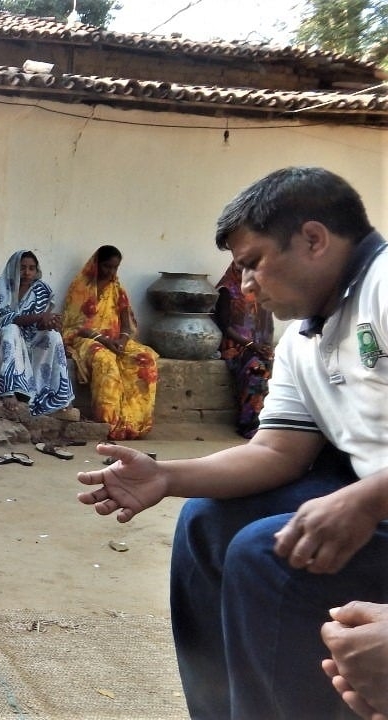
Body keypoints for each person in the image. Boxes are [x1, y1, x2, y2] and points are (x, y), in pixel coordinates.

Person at [76, 167, 388, 720]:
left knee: (266, 554)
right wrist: (166, 476)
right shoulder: (303, 339)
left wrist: (366, 499)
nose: (244, 286)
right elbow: (276, 452)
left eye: (253, 263)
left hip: (374, 500)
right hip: (369, 496)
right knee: (206, 524)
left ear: (314, 239)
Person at [61, 244, 159, 440]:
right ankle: (109, 423)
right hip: (87, 339)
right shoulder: (80, 288)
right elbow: (72, 326)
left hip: (114, 338)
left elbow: (126, 324)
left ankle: (134, 422)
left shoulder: (117, 289)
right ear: (96, 264)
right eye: (107, 266)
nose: (111, 272)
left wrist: (122, 341)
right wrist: (102, 339)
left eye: (115, 267)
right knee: (106, 361)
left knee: (145, 359)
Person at [0, 250, 74, 417]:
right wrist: (40, 317)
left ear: (37, 270)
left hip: (31, 338)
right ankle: (8, 389)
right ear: (13, 268)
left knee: (53, 336)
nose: (27, 273)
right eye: (22, 268)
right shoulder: (2, 285)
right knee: (11, 330)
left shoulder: (42, 290)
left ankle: (59, 395)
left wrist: (50, 323)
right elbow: (4, 317)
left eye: (31, 268)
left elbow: (43, 321)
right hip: (0, 340)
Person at [214, 261, 275, 438]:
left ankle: (269, 423)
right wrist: (251, 345)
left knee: (272, 364)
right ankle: (248, 424)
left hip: (256, 343)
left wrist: (266, 346)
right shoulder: (227, 290)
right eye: (242, 268)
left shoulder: (260, 290)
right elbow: (224, 326)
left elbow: (268, 323)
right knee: (256, 369)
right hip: (235, 345)